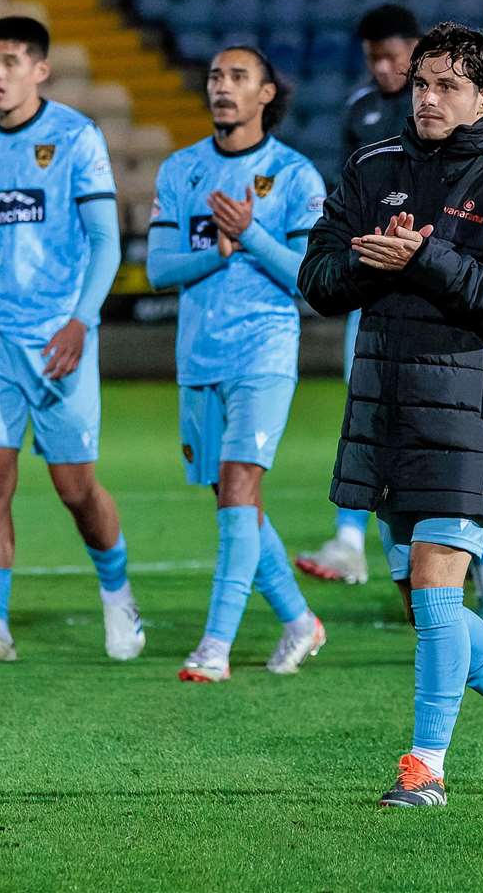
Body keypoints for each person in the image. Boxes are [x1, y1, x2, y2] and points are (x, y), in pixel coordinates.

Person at [298, 21, 483, 807]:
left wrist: (427, 258)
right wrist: (359, 262)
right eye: (420, 83)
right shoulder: (372, 164)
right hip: (388, 408)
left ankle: (425, 768)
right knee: (425, 604)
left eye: (446, 85)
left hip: (473, 407)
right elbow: (318, 278)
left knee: (438, 588)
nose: (427, 97)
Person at [0, 16, 143, 665]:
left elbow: (108, 242)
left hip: (60, 343)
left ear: (40, 70)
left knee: (75, 488)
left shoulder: (76, 139)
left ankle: (118, 597)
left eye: (9, 62)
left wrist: (82, 320)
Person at [146, 46, 327, 683]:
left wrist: (250, 234)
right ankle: (301, 621)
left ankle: (214, 647)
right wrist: (218, 252)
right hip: (199, 358)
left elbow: (311, 278)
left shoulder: (296, 176)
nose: (222, 87)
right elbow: (159, 268)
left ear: (267, 94)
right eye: (216, 76)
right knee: (232, 499)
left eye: (238, 77)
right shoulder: (181, 169)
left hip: (265, 354)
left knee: (242, 488)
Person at [296, 4, 420, 585]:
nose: (385, 66)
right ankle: (349, 539)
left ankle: (454, 550)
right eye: (375, 56)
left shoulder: (440, 104)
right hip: (375, 284)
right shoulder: (359, 110)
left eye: (394, 54)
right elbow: (347, 194)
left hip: (435, 285)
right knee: (365, 406)